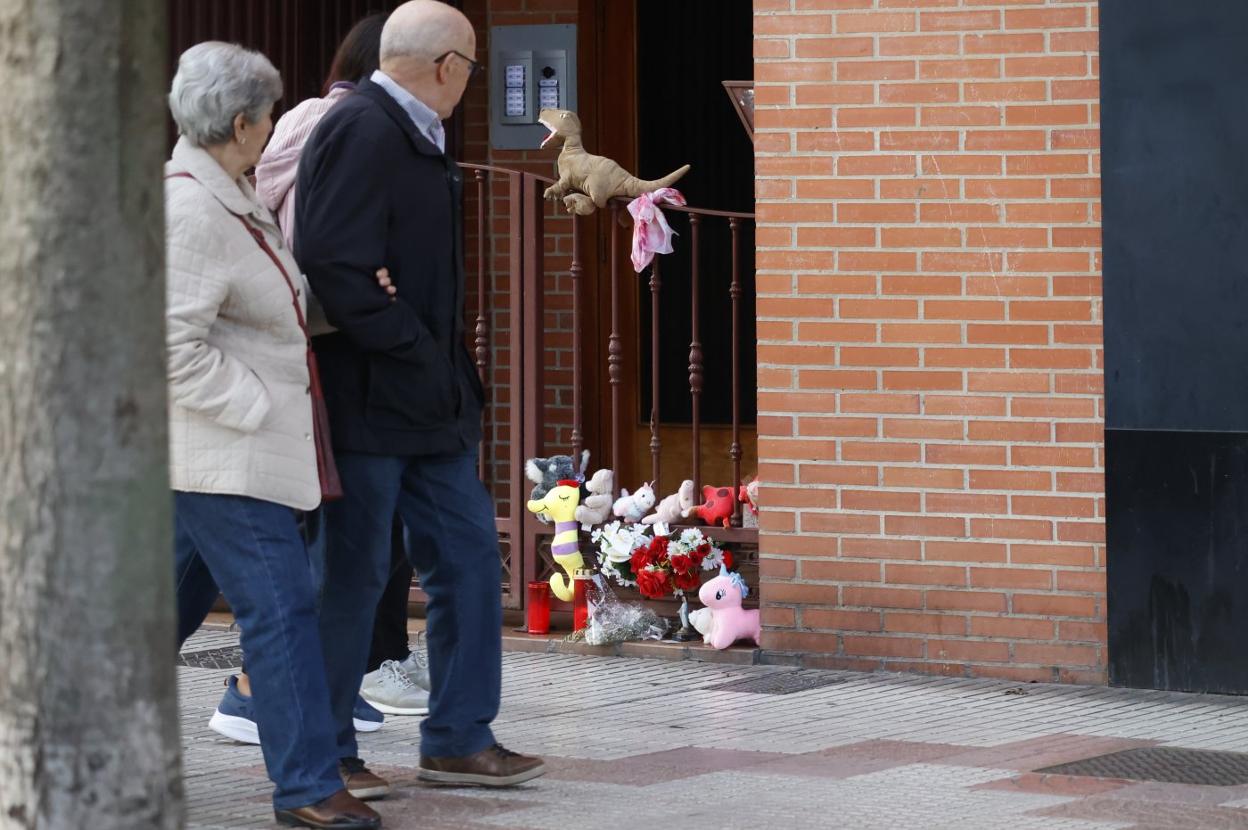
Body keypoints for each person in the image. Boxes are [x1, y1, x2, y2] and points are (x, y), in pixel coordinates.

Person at [296, 0, 545, 795]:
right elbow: (334, 261)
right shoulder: (361, 126)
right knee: (354, 575)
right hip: (371, 401)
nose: (469, 85)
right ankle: (329, 751)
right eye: (471, 68)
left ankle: (458, 738)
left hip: (428, 405)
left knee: (470, 561)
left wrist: (441, 370)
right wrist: (407, 342)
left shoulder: (416, 132)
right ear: (447, 67)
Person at [165, 41, 380, 829]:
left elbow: (263, 308)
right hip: (223, 452)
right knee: (283, 612)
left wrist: (346, 303)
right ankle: (308, 788)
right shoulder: (191, 206)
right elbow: (166, 346)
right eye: (268, 116)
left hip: (214, 455)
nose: (274, 128)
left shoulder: (230, 192)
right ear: (243, 120)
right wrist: (255, 402)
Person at [208, 13, 428, 747]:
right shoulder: (330, 122)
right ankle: (252, 694)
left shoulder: (333, 128)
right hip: (295, 364)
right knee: (291, 548)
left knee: (333, 535)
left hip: (310, 354)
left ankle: (315, 692)